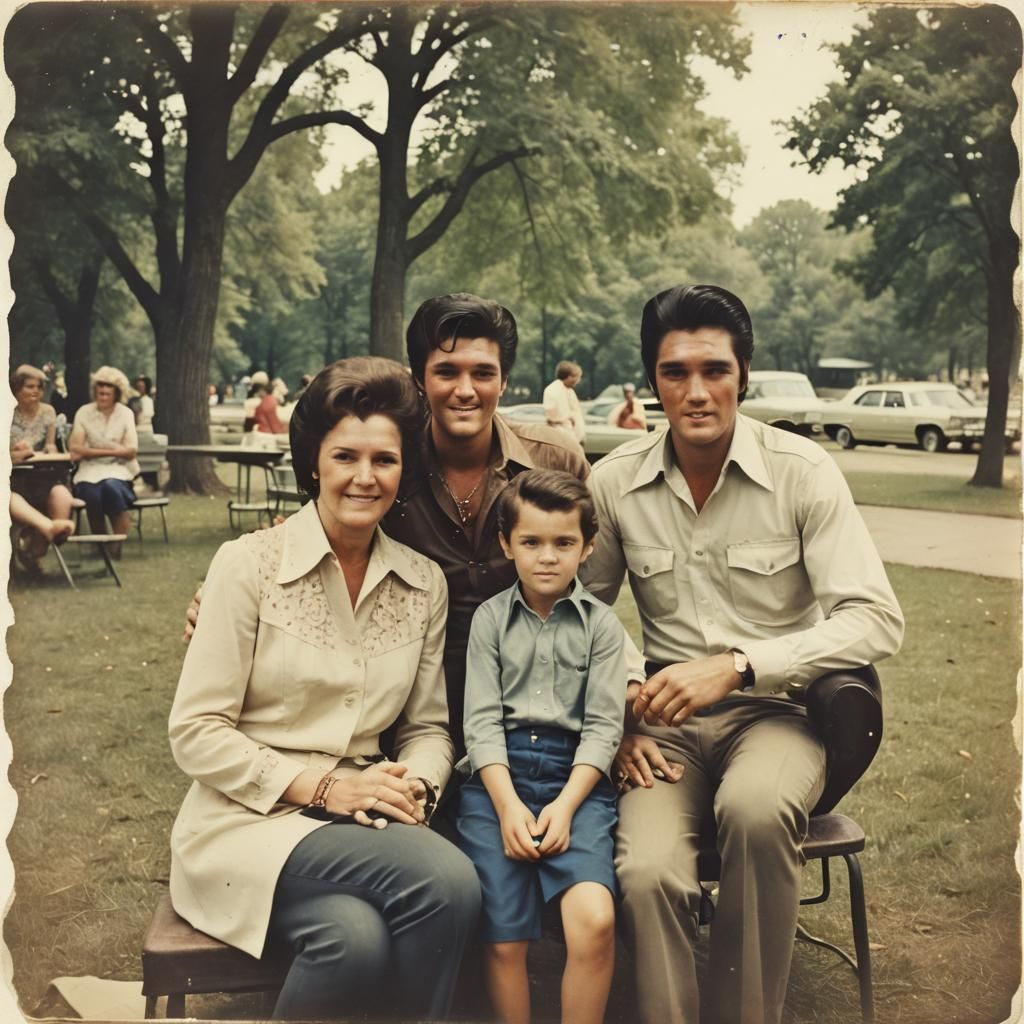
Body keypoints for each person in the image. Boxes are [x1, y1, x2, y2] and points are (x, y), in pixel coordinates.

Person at [580, 284, 904, 1024]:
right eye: (675, 372)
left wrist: (741, 664)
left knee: (756, 811)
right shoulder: (616, 481)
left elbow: (875, 619)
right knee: (647, 869)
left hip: (777, 715)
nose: (696, 392)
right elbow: (575, 614)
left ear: (744, 374)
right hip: (662, 727)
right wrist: (621, 706)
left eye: (715, 370)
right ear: (652, 381)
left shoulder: (801, 471)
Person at [168, 356, 480, 1022]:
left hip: (364, 814)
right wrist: (324, 789)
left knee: (352, 940)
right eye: (345, 456)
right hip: (241, 824)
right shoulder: (247, 565)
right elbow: (195, 732)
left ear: (404, 470)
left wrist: (414, 787)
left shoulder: (423, 582)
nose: (366, 477)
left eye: (385, 460)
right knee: (448, 881)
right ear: (313, 462)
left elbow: (427, 728)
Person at [458, 469, 624, 1024]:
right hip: (497, 781)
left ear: (588, 546)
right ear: (507, 544)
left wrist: (567, 805)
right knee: (504, 936)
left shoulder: (603, 627)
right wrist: (507, 807)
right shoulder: (490, 620)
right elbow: (481, 723)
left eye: (564, 543)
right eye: (530, 542)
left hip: (576, 781)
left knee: (594, 920)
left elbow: (603, 727)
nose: (547, 557)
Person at [9, 364, 75, 570]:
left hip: (42, 476)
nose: (36, 391)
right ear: (17, 389)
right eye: (30, 386)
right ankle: (47, 530)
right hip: (12, 479)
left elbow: (50, 445)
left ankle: (35, 552)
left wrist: (50, 451)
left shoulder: (48, 412)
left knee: (62, 496)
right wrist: (17, 455)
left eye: (39, 387)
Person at [67, 366, 139, 556]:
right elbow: (75, 449)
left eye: (108, 392)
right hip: (89, 469)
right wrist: (113, 450)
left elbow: (131, 451)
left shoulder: (126, 414)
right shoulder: (84, 412)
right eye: (100, 392)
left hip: (119, 469)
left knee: (111, 488)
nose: (104, 396)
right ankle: (101, 544)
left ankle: (116, 545)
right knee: (91, 493)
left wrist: (91, 451)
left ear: (117, 394)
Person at [543, 361, 586, 448]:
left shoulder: (568, 390)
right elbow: (552, 415)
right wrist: (568, 418)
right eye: (578, 377)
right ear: (570, 377)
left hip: (572, 436)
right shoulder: (554, 389)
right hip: (562, 436)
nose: (578, 381)